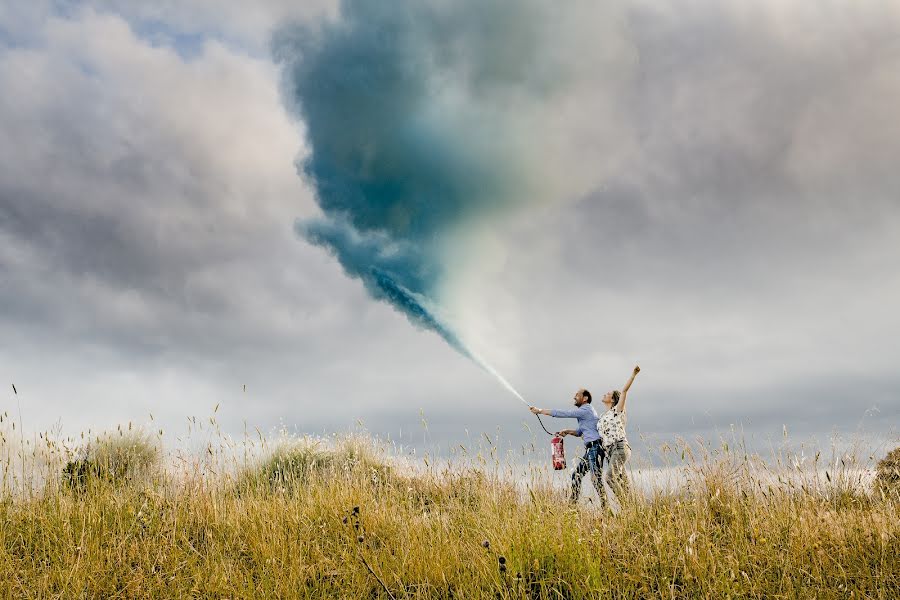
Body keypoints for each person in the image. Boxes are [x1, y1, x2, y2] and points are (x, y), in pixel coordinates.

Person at [529, 389, 604, 504]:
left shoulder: (586, 409)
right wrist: (568, 431)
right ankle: (572, 505)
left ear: (585, 398)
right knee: (576, 475)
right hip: (591, 449)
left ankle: (605, 507)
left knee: (595, 479)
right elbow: (580, 432)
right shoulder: (586, 413)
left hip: (595, 447)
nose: (574, 397)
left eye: (577, 395)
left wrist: (540, 411)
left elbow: (565, 413)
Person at [598, 365, 641, 505]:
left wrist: (633, 375)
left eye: (608, 394)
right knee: (624, 485)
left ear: (613, 399)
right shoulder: (602, 417)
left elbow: (624, 391)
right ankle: (632, 510)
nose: (605, 394)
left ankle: (625, 505)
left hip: (619, 448)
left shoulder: (617, 411)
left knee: (610, 477)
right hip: (611, 453)